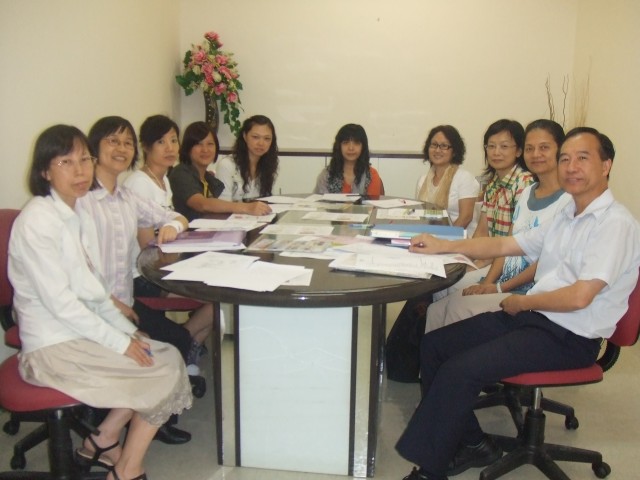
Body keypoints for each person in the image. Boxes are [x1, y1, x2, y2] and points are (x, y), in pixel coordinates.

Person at [396, 127, 640, 480]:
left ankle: (430, 470)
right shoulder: (567, 215)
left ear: (606, 165)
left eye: (582, 158)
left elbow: (580, 296)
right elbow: (504, 244)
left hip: (570, 336)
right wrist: (444, 245)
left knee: (459, 370)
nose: (571, 166)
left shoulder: (615, 224)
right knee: (434, 346)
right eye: (565, 159)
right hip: (538, 319)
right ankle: (473, 443)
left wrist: (523, 302)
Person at [8, 125, 192, 480]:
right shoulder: (38, 221)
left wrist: (127, 332)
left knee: (163, 355)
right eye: (66, 162)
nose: (80, 171)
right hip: (51, 348)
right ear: (45, 170)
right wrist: (120, 342)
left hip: (76, 334)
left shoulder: (70, 214)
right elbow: (62, 304)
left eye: (84, 160)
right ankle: (126, 469)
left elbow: (91, 289)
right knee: (161, 368)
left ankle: (105, 443)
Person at [78, 116, 196, 445]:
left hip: (123, 304)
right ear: (95, 148)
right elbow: (78, 269)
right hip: (97, 309)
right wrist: (113, 308)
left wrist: (171, 226)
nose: (122, 148)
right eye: (113, 141)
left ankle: (149, 420)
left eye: (127, 143)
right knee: (168, 345)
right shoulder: (82, 200)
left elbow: (176, 217)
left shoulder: (126, 197)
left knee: (177, 339)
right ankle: (116, 427)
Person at [425, 119, 571, 332]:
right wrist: (464, 262)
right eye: (491, 146)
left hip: (524, 288)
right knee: (437, 306)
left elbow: (540, 260)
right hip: (498, 264)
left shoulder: (536, 189)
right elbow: (498, 240)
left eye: (544, 148)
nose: (496, 152)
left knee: (453, 295)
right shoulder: (512, 189)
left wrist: (494, 285)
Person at [125, 115, 218, 365]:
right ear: (146, 146)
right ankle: (184, 343)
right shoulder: (139, 184)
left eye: (174, 141)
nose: (169, 148)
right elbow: (148, 248)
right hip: (143, 276)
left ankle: (185, 346)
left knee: (219, 295)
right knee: (216, 298)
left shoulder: (164, 179)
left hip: (162, 265)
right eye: (161, 142)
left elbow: (173, 224)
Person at [169, 121, 271, 221]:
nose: (205, 150)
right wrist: (247, 208)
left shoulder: (208, 178)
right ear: (187, 147)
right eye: (198, 144)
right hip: (187, 231)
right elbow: (202, 204)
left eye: (210, 144)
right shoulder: (180, 173)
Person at [416, 125, 479, 229]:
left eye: (444, 146)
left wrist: (445, 236)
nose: (437, 150)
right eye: (434, 145)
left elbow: (466, 217)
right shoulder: (422, 180)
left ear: (454, 151)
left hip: (459, 235)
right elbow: (420, 215)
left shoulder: (464, 178)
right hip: (431, 233)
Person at [215, 114, 279, 201]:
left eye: (267, 138)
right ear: (245, 136)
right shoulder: (227, 165)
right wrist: (250, 207)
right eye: (255, 137)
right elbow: (222, 204)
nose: (261, 143)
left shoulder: (269, 165)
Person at [314, 123, 384, 195]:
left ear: (363, 147)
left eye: (356, 143)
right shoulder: (327, 175)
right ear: (339, 146)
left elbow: (372, 201)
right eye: (346, 143)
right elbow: (321, 201)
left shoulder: (371, 175)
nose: (351, 148)